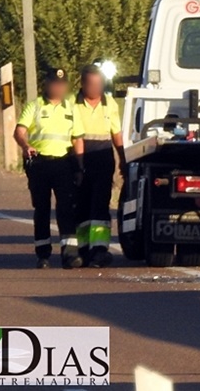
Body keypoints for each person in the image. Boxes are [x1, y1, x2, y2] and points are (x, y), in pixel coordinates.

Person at [14, 68, 85, 269]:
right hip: (39, 164)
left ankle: (70, 255)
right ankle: (43, 254)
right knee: (42, 208)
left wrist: (79, 168)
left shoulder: (71, 109)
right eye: (54, 83)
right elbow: (20, 131)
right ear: (46, 84)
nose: (58, 87)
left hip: (63, 164)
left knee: (66, 209)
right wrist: (26, 146)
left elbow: (77, 139)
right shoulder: (35, 106)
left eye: (62, 84)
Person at [72, 64, 126, 268]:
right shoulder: (71, 103)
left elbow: (116, 133)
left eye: (99, 84)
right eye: (92, 84)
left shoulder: (109, 103)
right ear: (83, 84)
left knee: (100, 205)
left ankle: (100, 250)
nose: (96, 88)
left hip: (103, 158)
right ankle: (82, 249)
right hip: (79, 158)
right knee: (81, 205)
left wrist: (122, 158)